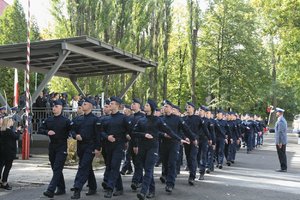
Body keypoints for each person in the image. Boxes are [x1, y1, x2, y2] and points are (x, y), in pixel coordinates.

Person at [133, 99, 189, 200]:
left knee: (149, 169)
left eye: (146, 105)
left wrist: (180, 139)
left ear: (151, 107)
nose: (144, 106)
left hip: (153, 148)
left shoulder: (158, 120)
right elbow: (134, 133)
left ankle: (143, 191)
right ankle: (152, 190)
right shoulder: (141, 120)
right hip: (142, 147)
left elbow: (169, 131)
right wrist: (144, 134)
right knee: (146, 169)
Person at [38, 100, 72, 198]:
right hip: (52, 146)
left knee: (57, 168)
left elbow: (72, 130)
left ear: (61, 107)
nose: (54, 108)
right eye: (53, 106)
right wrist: (47, 132)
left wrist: (73, 135)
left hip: (62, 146)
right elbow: (40, 129)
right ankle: (61, 188)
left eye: (56, 106)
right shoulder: (49, 119)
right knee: (55, 168)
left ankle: (50, 190)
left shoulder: (66, 120)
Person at [71, 98, 102, 199]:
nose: (83, 105)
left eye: (85, 104)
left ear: (91, 106)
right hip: (81, 146)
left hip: (91, 146)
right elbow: (73, 131)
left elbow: (98, 135)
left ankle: (77, 188)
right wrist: (76, 136)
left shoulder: (95, 120)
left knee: (83, 166)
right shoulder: (79, 119)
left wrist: (98, 148)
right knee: (86, 166)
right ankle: (92, 187)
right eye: (83, 104)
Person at [101, 96, 130, 198]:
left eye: (112, 103)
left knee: (114, 165)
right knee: (111, 166)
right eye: (110, 104)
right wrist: (107, 136)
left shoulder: (123, 118)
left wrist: (127, 140)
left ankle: (110, 188)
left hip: (119, 146)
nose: (110, 105)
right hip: (108, 146)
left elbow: (129, 131)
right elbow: (101, 132)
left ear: (117, 105)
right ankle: (120, 188)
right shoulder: (107, 119)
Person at [0, 116, 20, 190]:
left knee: (1, 166)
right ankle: (4, 182)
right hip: (9, 152)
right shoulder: (9, 131)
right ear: (8, 122)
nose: (12, 122)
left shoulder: (2, 130)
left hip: (3, 151)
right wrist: (18, 131)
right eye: (11, 121)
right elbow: (16, 137)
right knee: (7, 168)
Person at [274, 107, 288, 172]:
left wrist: (280, 142)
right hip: (281, 140)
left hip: (281, 141)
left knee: (281, 154)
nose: (276, 113)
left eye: (277, 112)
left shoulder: (281, 120)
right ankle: (283, 167)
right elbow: (277, 130)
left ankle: (283, 168)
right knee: (282, 154)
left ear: (280, 113)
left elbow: (280, 132)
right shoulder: (280, 119)